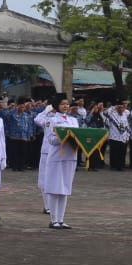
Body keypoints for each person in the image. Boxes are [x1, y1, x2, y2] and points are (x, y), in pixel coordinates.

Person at [35, 96, 80, 229]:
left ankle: (61, 219)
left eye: (67, 104)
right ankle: (53, 219)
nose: (65, 106)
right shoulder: (52, 120)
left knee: (65, 189)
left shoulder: (73, 120)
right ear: (56, 105)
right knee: (55, 188)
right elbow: (51, 140)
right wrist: (65, 136)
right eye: (62, 104)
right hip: (56, 156)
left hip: (70, 156)